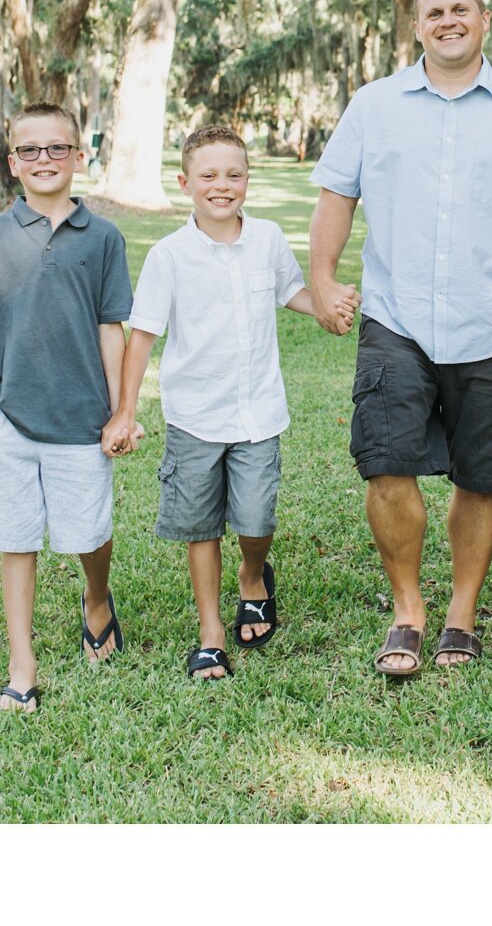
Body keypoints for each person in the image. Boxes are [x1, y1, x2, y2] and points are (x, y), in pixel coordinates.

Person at [309, 0, 492, 677]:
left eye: (461, 8)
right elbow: (337, 195)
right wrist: (323, 275)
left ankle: (461, 612)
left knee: (480, 473)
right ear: (418, 26)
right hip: (395, 315)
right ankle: (408, 610)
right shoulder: (374, 106)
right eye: (435, 11)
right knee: (385, 462)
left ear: (484, 20)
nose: (448, 19)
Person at [116, 125, 342, 680]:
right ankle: (211, 634)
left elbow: (292, 292)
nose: (223, 186)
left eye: (234, 175)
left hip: (258, 410)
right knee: (200, 525)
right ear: (185, 182)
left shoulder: (266, 238)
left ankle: (253, 574)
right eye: (209, 176)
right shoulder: (169, 256)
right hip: (194, 415)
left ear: (248, 180)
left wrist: (328, 306)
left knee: (256, 517)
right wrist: (126, 410)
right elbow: (142, 336)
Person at [0, 102, 136, 714]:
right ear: (12, 163)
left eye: (56, 148)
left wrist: (119, 411)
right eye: (29, 151)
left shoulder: (104, 237)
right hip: (11, 419)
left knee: (89, 532)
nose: (43, 160)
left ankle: (97, 596)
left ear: (79, 157)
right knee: (16, 537)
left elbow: (113, 328)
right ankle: (22, 663)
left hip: (82, 420)